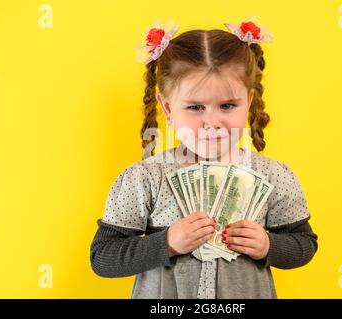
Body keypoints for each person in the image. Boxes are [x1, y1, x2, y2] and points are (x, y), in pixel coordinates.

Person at [90, 19, 318, 298]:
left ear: (248, 101)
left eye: (227, 105)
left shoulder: (275, 176)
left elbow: (304, 245)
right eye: (195, 107)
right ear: (168, 107)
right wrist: (167, 243)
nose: (212, 122)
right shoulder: (143, 178)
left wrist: (269, 246)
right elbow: (103, 256)